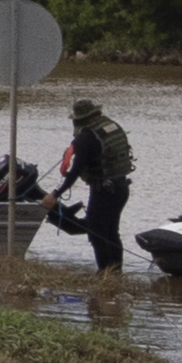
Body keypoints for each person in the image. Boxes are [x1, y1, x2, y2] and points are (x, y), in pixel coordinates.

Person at [60, 98, 137, 274]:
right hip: (121, 187)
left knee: (97, 233)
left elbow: (74, 172)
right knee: (111, 232)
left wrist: (55, 194)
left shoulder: (86, 138)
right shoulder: (109, 127)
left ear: (78, 119)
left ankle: (104, 274)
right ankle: (115, 274)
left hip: (104, 190)